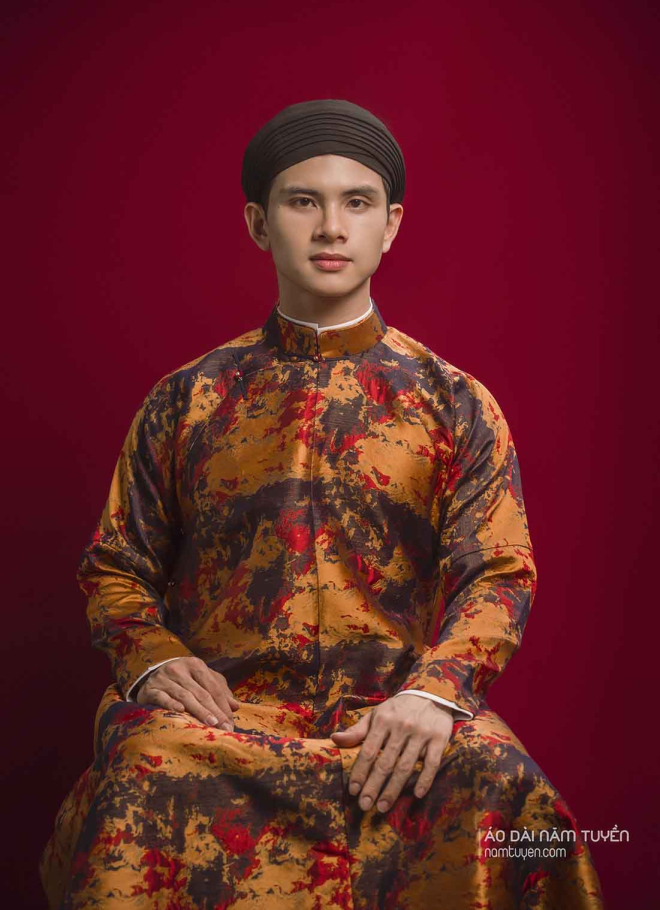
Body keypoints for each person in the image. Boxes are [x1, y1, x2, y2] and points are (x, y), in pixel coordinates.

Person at [39, 98, 604, 909]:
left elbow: (499, 572)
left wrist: (434, 695)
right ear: (259, 223)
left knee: (507, 787)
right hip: (222, 726)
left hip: (391, 720)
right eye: (304, 201)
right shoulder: (187, 400)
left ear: (391, 225)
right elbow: (116, 565)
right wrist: (153, 659)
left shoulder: (454, 404)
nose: (331, 227)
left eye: (357, 203)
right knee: (140, 766)